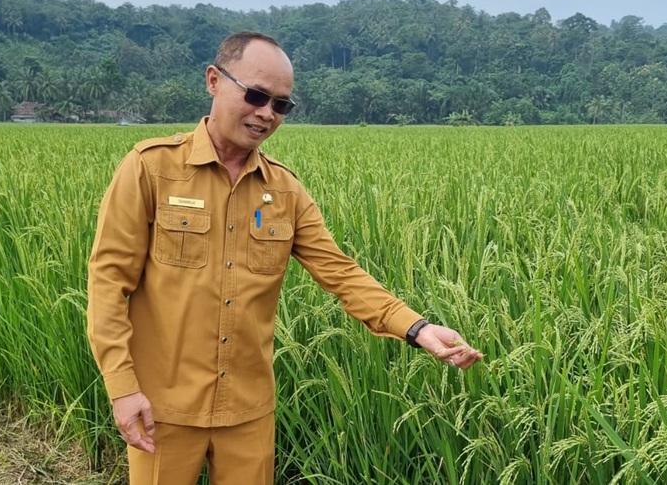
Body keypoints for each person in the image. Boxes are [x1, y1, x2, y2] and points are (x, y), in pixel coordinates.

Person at [86, 30, 483, 485]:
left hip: (248, 411)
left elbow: (341, 273)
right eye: (256, 95)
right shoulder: (150, 168)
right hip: (163, 408)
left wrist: (418, 328)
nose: (266, 113)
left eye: (281, 105)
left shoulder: (285, 191)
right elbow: (108, 283)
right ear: (214, 80)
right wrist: (122, 388)